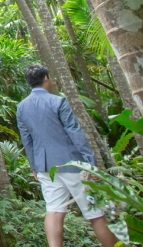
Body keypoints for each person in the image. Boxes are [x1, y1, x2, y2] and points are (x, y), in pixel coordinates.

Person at [16, 64, 119, 247]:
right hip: (72, 164)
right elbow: (76, 134)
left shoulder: (21, 107)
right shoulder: (58, 102)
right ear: (46, 78)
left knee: (54, 210)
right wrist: (90, 163)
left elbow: (27, 140)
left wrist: (34, 165)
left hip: (45, 167)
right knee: (95, 213)